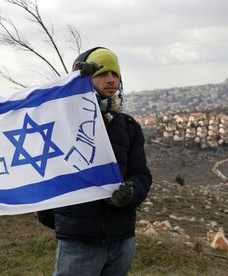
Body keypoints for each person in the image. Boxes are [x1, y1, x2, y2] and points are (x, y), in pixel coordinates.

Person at [52, 47, 152, 276]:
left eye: (115, 74)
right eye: (102, 73)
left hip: (122, 240)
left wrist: (130, 193)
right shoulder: (65, 120)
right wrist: (74, 85)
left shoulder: (128, 126)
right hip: (79, 241)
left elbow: (142, 174)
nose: (111, 79)